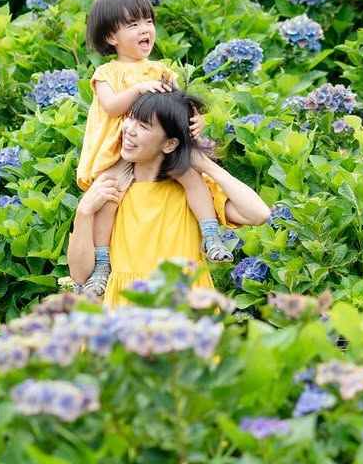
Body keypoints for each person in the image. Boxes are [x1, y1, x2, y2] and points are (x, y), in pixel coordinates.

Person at [76, 0, 234, 298]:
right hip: (119, 155)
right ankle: (103, 264)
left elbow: (180, 106)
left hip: (157, 154)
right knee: (107, 202)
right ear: (111, 38)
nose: (145, 29)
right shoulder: (107, 72)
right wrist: (138, 89)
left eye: (148, 21)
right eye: (133, 25)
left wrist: (197, 119)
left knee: (192, 179)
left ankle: (211, 236)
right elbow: (111, 107)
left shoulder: (162, 70)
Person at [68, 88, 271, 306]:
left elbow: (258, 214)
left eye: (143, 126)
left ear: (170, 143)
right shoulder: (110, 189)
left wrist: (206, 165)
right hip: (125, 315)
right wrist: (84, 211)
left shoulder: (194, 189)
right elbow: (80, 275)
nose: (130, 130)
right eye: (130, 119)